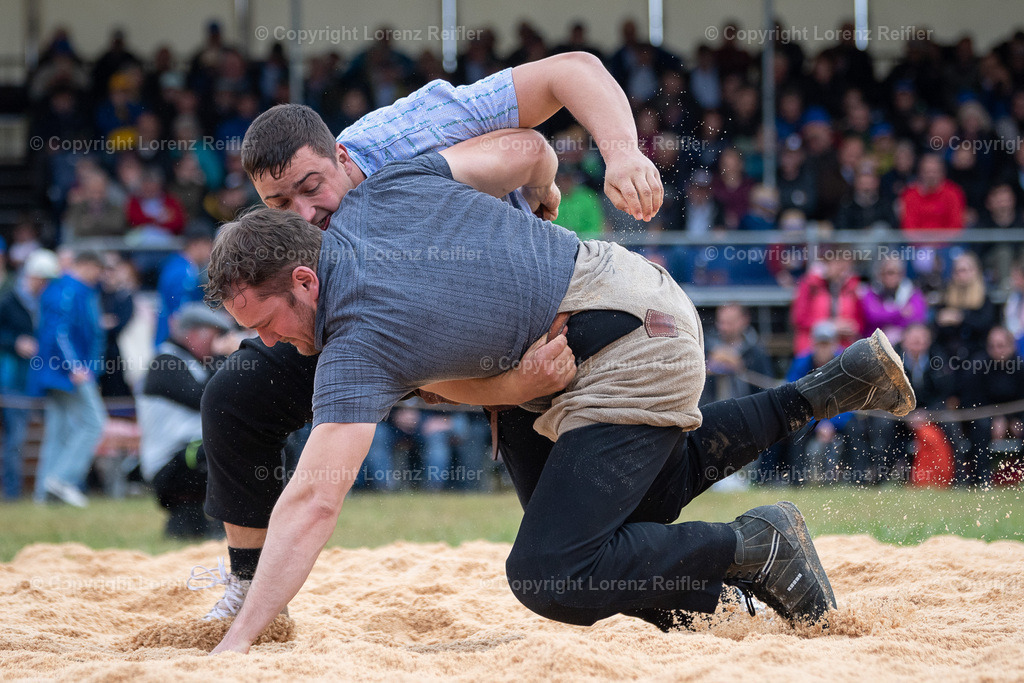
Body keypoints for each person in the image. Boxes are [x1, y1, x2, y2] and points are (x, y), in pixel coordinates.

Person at [201, 147, 916, 654]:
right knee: (625, 515)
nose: (278, 343)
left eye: (268, 324)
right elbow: (525, 145)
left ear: (303, 278)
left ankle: (754, 546)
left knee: (553, 571)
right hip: (620, 292)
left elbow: (313, 500)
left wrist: (241, 637)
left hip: (625, 340)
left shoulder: (353, 341)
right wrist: (543, 189)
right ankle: (824, 390)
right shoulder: (378, 189)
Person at [192, 53, 666, 620]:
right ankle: (249, 581)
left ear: (342, 156)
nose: (304, 213)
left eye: (312, 188)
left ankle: (720, 563)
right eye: (278, 205)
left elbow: (569, 75)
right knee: (234, 396)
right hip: (363, 334)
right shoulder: (307, 269)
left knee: (568, 544)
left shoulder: (408, 137)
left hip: (511, 318)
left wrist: (618, 153)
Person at [138, 303, 233, 538]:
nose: (217, 343)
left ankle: (228, 524)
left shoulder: (192, 363)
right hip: (170, 464)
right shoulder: (165, 362)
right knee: (233, 449)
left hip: (187, 457)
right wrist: (225, 356)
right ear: (193, 334)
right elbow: (206, 399)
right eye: (215, 336)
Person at [30, 251, 107, 507]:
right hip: (66, 372)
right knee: (95, 422)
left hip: (58, 371)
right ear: (85, 265)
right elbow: (60, 332)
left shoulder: (70, 289)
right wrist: (75, 366)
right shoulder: (70, 289)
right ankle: (62, 479)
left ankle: (44, 494)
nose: (99, 274)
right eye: (97, 268)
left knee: (58, 430)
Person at [0, 250, 60, 500]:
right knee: (15, 439)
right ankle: (13, 494)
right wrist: (16, 343)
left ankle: (48, 489)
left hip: (40, 379)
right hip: (14, 379)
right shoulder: (7, 301)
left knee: (51, 435)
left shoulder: (46, 303)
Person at [154, 226, 213, 345]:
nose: (210, 252)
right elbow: (179, 312)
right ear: (196, 245)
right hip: (173, 340)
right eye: (209, 246)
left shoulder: (179, 265)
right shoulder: (183, 272)